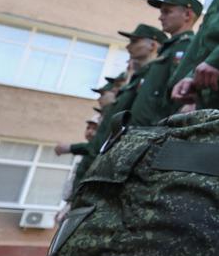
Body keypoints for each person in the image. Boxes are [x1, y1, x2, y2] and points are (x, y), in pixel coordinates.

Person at [71, 24, 165, 183]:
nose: (129, 46)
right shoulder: (139, 77)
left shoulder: (154, 74)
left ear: (153, 45)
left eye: (135, 41)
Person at [127, 0, 201, 126]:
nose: (160, 18)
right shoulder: (167, 49)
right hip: (141, 130)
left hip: (155, 130)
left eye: (167, 12)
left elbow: (179, 91)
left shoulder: (186, 45)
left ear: (187, 14)